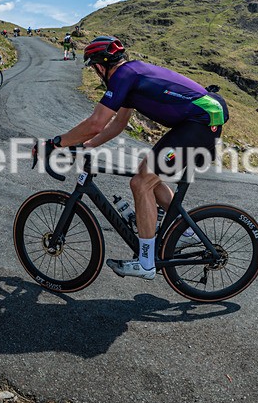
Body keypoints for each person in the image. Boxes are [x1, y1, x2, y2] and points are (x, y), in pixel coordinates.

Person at [38, 36, 229, 280]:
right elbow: (118, 123)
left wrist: (55, 143)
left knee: (141, 183)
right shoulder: (131, 74)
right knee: (147, 174)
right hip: (199, 120)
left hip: (201, 122)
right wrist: (86, 145)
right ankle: (184, 232)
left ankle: (146, 263)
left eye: (94, 69)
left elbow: (96, 123)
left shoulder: (122, 76)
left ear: (99, 67)